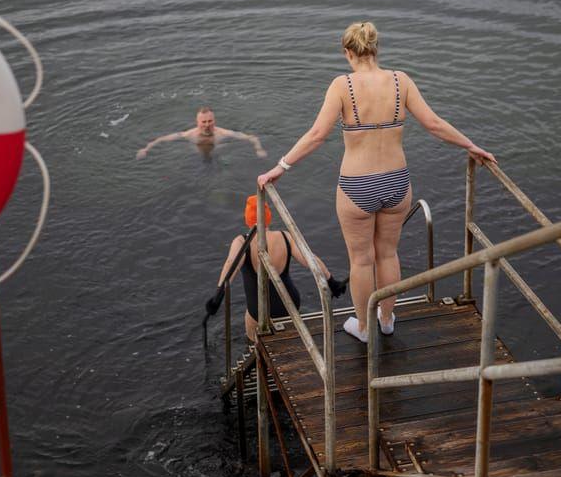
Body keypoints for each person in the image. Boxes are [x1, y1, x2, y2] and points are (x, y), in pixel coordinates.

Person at [258, 22, 495, 343]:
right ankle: (386, 320)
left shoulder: (342, 85)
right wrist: (471, 145)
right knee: (388, 254)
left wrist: (281, 166)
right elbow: (434, 124)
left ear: (348, 52)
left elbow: (316, 135)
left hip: (357, 185)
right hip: (397, 182)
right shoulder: (401, 81)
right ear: (376, 48)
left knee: (361, 260)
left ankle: (364, 328)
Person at [208, 195, 346, 343]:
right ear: (269, 217)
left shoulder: (242, 242)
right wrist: (332, 282)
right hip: (289, 303)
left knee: (253, 335)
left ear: (247, 219)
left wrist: (218, 296)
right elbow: (311, 259)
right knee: (288, 340)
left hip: (259, 310)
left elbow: (231, 265)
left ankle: (255, 350)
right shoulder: (285, 236)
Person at [137, 107, 266, 159]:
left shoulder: (223, 133)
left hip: (219, 155)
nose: (207, 124)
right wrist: (145, 149)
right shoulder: (189, 134)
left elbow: (251, 138)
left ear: (214, 120)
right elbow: (162, 139)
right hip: (195, 156)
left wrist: (259, 149)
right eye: (203, 122)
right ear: (197, 122)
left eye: (210, 121)